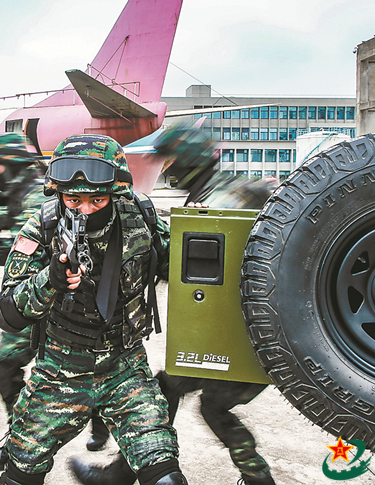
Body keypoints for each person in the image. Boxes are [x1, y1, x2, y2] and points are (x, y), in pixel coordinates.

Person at [70, 124, 277, 485]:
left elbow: (198, 267)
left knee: (165, 390)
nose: (168, 170)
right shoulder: (229, 189)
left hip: (235, 334)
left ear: (187, 161)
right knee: (211, 406)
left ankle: (119, 475)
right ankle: (258, 478)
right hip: (253, 333)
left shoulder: (220, 200)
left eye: (171, 161)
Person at [0, 134, 188, 485]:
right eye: (74, 199)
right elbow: (8, 313)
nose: (84, 208)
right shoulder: (44, 224)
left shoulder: (140, 216)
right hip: (58, 372)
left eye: (97, 199)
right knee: (20, 473)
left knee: (163, 471)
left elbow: (184, 266)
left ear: (116, 190)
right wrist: (48, 281)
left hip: (125, 368)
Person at [0, 133, 109, 470]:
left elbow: (17, 248)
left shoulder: (37, 195)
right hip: (40, 296)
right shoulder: (13, 193)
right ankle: (22, 437)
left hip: (55, 298)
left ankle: (23, 443)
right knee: (20, 367)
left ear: (11, 164)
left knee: (19, 367)